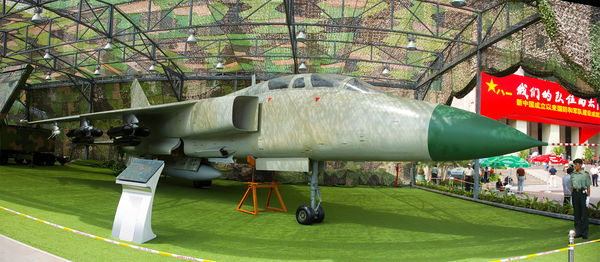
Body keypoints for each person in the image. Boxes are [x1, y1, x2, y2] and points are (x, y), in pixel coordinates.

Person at [570, 159, 592, 239]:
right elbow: (571, 186)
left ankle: (584, 232)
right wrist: (571, 197)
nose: (575, 166)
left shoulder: (585, 174)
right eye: (574, 164)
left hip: (582, 194)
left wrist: (588, 197)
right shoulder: (573, 174)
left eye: (576, 164)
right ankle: (578, 231)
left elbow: (588, 186)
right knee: (577, 214)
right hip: (575, 194)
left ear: (580, 165)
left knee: (584, 214)